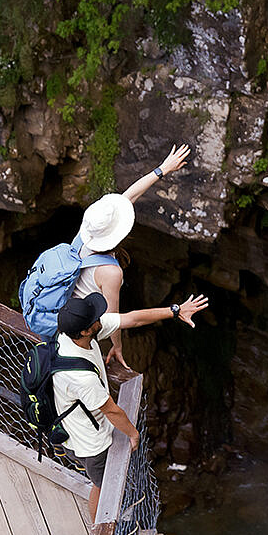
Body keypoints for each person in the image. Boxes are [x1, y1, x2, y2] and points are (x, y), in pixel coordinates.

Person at [53, 289, 209, 515]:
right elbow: (112, 411)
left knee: (102, 480)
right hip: (89, 441)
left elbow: (132, 318)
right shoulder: (80, 377)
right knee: (102, 486)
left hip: (76, 422)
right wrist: (133, 434)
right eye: (95, 318)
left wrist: (175, 311)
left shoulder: (72, 335)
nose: (100, 318)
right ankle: (99, 532)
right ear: (86, 330)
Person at [73, 143, 192, 369]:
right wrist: (117, 346)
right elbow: (113, 317)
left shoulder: (86, 232)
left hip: (68, 310)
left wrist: (163, 169)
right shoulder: (110, 272)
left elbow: (128, 196)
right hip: (81, 329)